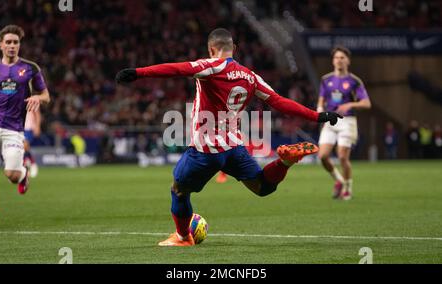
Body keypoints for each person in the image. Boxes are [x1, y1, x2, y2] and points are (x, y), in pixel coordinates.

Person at [116, 28, 342, 246]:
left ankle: (183, 237)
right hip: (234, 148)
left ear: (211, 49)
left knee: (178, 189)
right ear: (233, 47)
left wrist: (138, 73)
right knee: (262, 187)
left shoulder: (211, 66)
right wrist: (317, 116)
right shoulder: (251, 76)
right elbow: (279, 101)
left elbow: (177, 69)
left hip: (206, 150)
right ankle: (283, 162)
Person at [0, 25, 50, 222]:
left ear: (19, 45)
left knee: (11, 175)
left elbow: (46, 95)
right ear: (1, 45)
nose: (12, 45)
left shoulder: (30, 69)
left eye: (15, 42)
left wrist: (38, 99)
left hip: (14, 129)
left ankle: (23, 173)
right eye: (8, 42)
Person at [316, 45, 371, 200]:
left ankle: (347, 188)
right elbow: (321, 100)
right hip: (330, 120)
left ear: (348, 61)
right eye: (336, 58)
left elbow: (367, 103)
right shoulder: (326, 80)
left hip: (347, 121)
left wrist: (350, 104)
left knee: (342, 157)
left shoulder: (354, 81)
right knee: (322, 156)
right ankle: (339, 180)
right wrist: (320, 110)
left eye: (342, 57)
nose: (339, 60)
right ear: (333, 61)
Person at [23, 109, 41, 177]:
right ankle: (29, 163)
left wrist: (37, 126)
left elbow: (38, 114)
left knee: (25, 146)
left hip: (29, 127)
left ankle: (31, 164)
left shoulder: (32, 100)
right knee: (24, 148)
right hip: (19, 126)